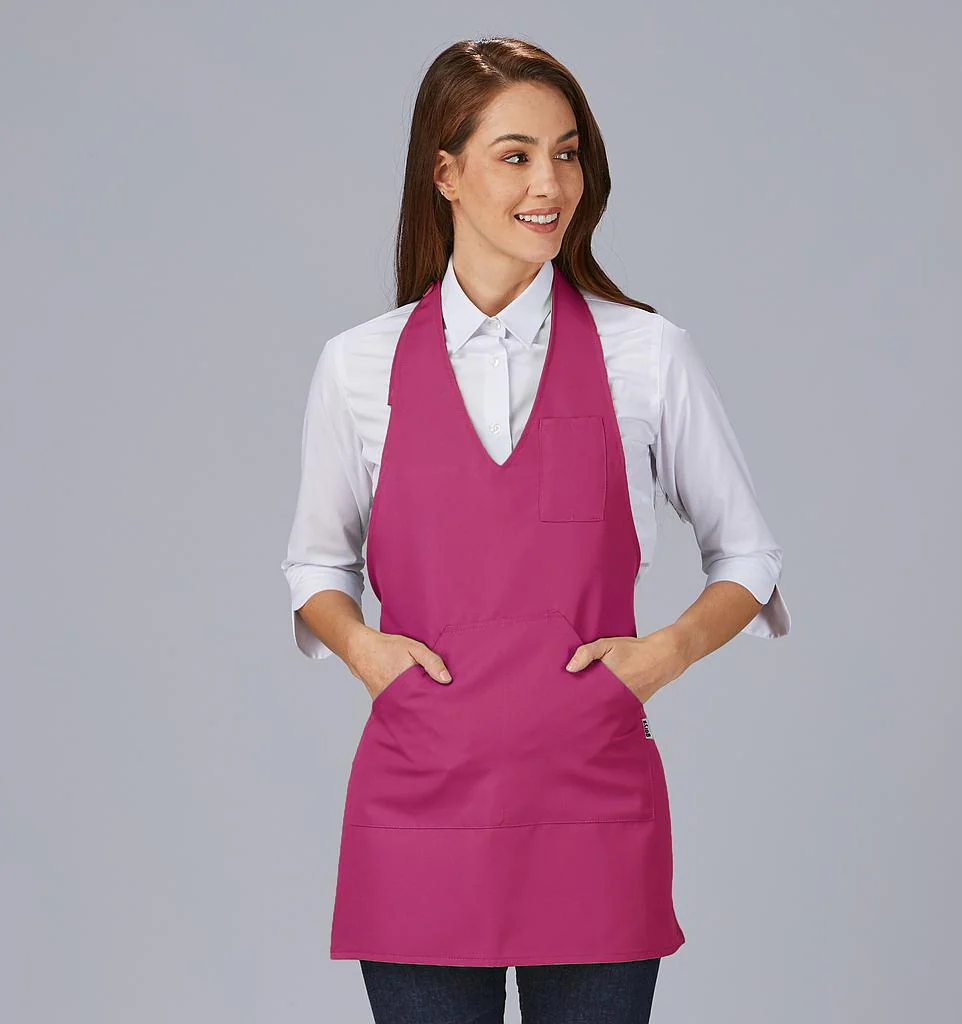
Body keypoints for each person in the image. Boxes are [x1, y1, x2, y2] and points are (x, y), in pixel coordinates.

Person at [280, 35, 791, 1024]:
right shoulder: (358, 366)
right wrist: (367, 653)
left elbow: (749, 553)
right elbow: (316, 560)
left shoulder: (647, 353)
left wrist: (663, 655)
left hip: (592, 799)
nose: (549, 184)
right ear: (445, 173)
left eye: (566, 153)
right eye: (514, 155)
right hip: (420, 801)